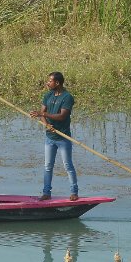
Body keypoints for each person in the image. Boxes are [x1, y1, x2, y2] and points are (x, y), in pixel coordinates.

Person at [29, 71, 79, 201]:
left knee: (68, 165)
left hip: (63, 137)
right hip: (50, 137)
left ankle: (74, 192)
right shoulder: (48, 96)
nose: (47, 83)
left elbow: (62, 116)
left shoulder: (67, 97)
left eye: (50, 81)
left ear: (57, 83)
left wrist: (43, 115)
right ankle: (46, 193)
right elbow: (42, 113)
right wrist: (47, 125)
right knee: (48, 166)